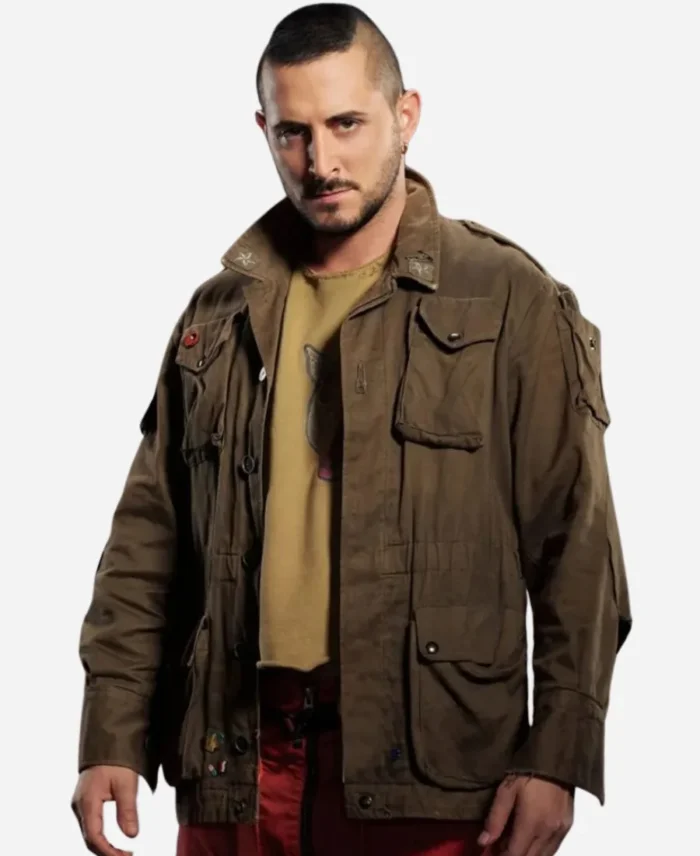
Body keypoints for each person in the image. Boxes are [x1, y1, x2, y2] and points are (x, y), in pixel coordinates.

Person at [71, 4, 632, 855]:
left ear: (406, 115)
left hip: (435, 769)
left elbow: (577, 547)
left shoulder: (508, 298)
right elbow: (148, 540)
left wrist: (559, 754)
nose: (320, 161)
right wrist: (110, 732)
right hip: (235, 757)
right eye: (292, 132)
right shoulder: (216, 316)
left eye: (346, 124)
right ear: (263, 130)